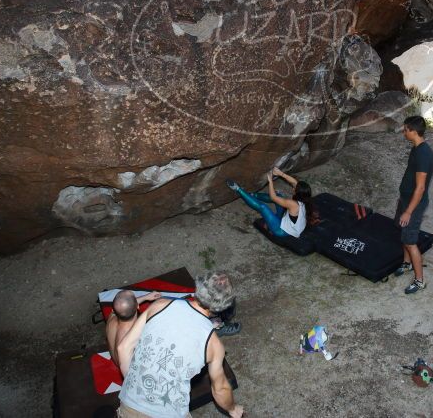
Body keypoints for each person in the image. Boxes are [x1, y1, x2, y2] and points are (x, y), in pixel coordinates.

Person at [116, 271, 244, 418]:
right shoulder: (214, 345)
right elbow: (220, 389)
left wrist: (136, 386)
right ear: (222, 306)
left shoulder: (159, 305)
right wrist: (232, 409)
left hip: (128, 407)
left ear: (198, 287)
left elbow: (123, 348)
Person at [393, 116, 433, 295]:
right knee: (402, 233)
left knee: (410, 241)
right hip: (405, 199)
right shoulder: (416, 149)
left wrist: (408, 211)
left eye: (405, 129)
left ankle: (419, 281)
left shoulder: (424, 154)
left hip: (414, 205)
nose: (404, 132)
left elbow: (421, 187)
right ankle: (406, 263)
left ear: (413, 131)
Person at [226, 167, 312, 238]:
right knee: (279, 196)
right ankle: (253, 195)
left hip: (282, 231)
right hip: (287, 221)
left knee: (263, 207)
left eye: (294, 189)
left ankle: (237, 189)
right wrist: (280, 173)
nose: (293, 188)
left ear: (298, 193)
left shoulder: (293, 204)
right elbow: (294, 182)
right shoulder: (305, 197)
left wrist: (270, 181)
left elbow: (273, 197)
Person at [106, 290, 161, 366]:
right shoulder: (136, 336)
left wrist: (146, 297)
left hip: (115, 358)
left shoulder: (112, 316)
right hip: (127, 366)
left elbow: (122, 305)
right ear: (138, 306)